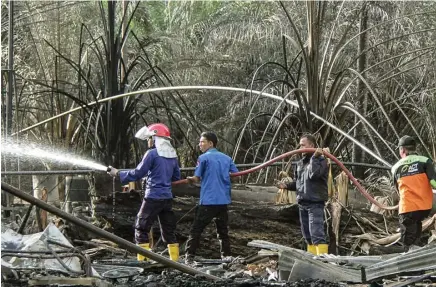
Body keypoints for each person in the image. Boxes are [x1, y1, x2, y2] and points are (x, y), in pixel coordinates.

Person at [107, 123, 181, 261]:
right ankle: (175, 262)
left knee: (141, 227)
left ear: (155, 138)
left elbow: (138, 173)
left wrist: (118, 173)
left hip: (153, 196)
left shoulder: (151, 154)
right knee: (168, 230)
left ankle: (142, 261)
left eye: (149, 138)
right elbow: (176, 177)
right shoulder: (172, 155)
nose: (148, 141)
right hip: (167, 198)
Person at [184, 132, 239, 264]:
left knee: (196, 228)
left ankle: (189, 256)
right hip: (223, 200)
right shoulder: (226, 158)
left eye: (202, 142)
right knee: (222, 230)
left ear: (210, 143)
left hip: (208, 200)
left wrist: (190, 179)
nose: (200, 145)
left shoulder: (203, 158)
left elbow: (196, 178)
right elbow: (236, 175)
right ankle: (226, 256)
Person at [277, 134, 329, 255]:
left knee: (317, 234)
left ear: (311, 145)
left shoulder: (321, 161)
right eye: (300, 145)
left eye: (303, 145)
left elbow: (314, 174)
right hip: (302, 203)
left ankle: (323, 261)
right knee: (307, 236)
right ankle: (311, 260)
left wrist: (315, 158)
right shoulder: (299, 164)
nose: (300, 147)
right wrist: (286, 186)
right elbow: (299, 183)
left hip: (315, 204)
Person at [391, 135, 436, 251]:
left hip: (407, 208)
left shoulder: (396, 167)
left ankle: (408, 264)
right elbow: (434, 182)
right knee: (416, 232)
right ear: (414, 148)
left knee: (407, 243)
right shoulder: (425, 161)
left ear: (402, 150)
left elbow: (397, 190)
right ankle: (418, 260)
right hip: (424, 208)